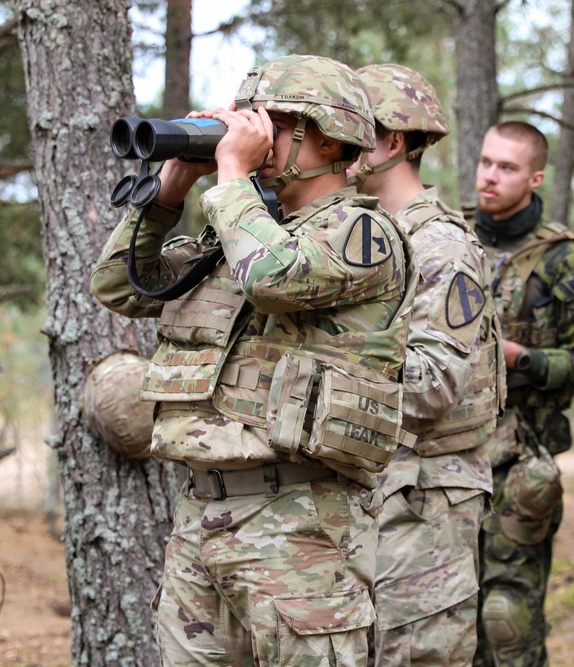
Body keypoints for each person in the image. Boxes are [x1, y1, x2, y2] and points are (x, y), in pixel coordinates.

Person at [90, 54, 416, 666]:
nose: (254, 133)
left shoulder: (360, 235)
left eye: (275, 123)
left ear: (327, 135)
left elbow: (274, 277)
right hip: (200, 519)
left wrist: (232, 178)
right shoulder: (234, 234)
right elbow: (119, 286)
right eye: (249, 120)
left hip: (299, 525)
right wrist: (170, 191)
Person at [347, 64, 503, 665]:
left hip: (423, 498)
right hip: (372, 491)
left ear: (391, 143)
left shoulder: (438, 244)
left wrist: (320, 372)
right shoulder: (364, 234)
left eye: (352, 128)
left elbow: (434, 384)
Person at [471, 121, 574, 667]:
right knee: (437, 614)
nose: (490, 177)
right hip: (439, 458)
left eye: (507, 167)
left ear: (535, 177)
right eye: (486, 163)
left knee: (506, 616)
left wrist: (522, 359)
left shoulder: (566, 262)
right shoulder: (443, 239)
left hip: (520, 463)